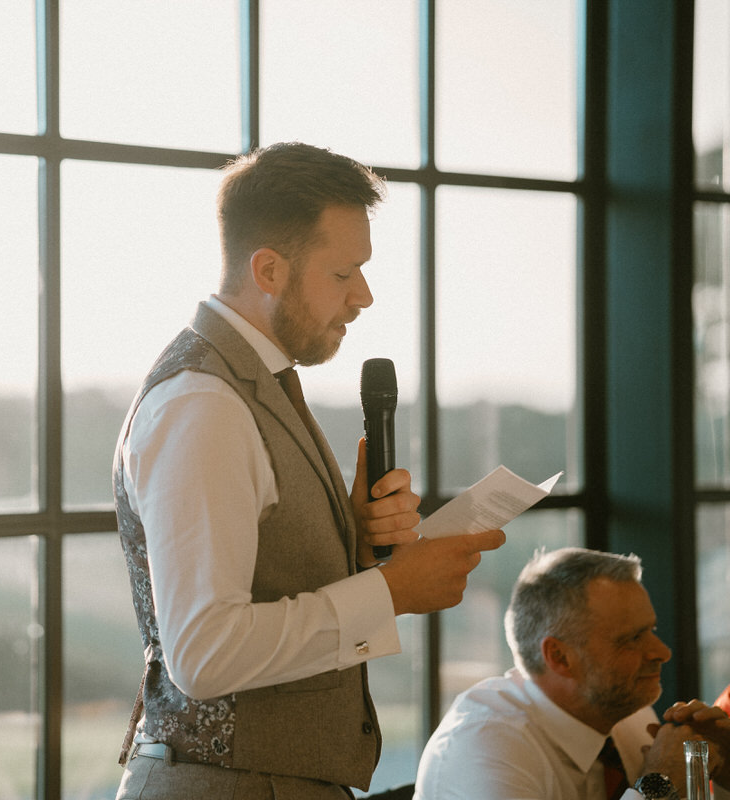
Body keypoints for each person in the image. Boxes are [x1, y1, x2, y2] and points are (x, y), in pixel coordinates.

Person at [112, 141, 506, 799]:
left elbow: (260, 582)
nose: (365, 296)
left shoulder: (252, 386)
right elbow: (205, 655)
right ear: (268, 270)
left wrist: (344, 540)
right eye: (344, 273)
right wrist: (391, 591)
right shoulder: (204, 404)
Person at [414, 547, 730, 800]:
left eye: (652, 630)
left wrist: (726, 771)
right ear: (560, 657)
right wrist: (659, 786)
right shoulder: (482, 748)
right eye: (632, 639)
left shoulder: (627, 714)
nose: (662, 652)